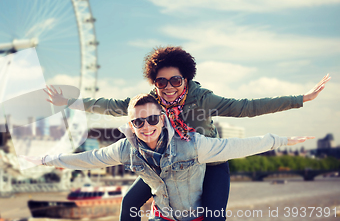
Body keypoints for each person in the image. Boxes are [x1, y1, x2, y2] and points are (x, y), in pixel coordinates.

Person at [44, 46, 331, 221]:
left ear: (186, 79)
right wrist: (69, 102)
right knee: (130, 203)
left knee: (213, 215)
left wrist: (300, 99)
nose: (168, 87)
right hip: (169, 164)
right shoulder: (149, 102)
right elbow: (110, 105)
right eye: (161, 81)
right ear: (153, 82)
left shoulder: (202, 98)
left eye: (175, 80)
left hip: (209, 162)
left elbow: (248, 107)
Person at [24, 94, 313, 221]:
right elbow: (89, 158)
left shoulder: (193, 145)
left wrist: (282, 141)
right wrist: (48, 159)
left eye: (151, 120)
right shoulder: (127, 148)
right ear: (131, 126)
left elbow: (237, 145)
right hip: (163, 216)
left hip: (196, 216)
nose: (146, 127)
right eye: (138, 123)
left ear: (163, 119)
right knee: (129, 204)